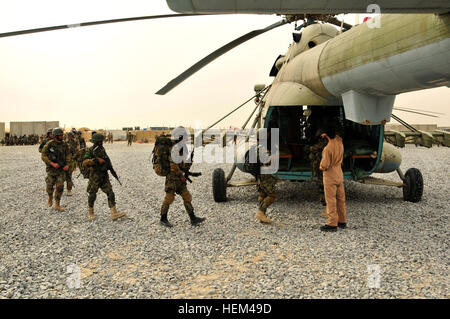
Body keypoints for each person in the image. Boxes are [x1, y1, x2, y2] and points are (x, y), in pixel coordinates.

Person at [159, 128, 205, 227]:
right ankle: (163, 218)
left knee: (187, 196)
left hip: (180, 178)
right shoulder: (175, 148)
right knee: (169, 198)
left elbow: (184, 163)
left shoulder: (183, 147)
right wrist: (181, 176)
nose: (187, 138)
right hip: (172, 178)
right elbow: (173, 165)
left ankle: (193, 218)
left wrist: (192, 155)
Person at [82, 133, 125, 221]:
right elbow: (84, 162)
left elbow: (107, 161)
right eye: (99, 141)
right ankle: (91, 212)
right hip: (94, 176)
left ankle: (114, 212)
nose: (101, 143)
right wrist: (95, 160)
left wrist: (112, 170)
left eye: (102, 141)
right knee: (92, 194)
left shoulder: (102, 149)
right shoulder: (90, 150)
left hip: (104, 176)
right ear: (95, 142)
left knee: (110, 193)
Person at [319, 125, 346, 232]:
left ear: (325, 135)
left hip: (330, 176)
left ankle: (332, 224)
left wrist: (320, 166)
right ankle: (342, 221)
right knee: (341, 199)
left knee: (331, 200)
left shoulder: (327, 148)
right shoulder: (340, 143)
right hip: (339, 173)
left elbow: (324, 165)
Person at [41, 128, 70, 211]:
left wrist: (67, 164)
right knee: (49, 187)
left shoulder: (64, 145)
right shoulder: (49, 144)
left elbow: (68, 155)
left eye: (62, 135)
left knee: (60, 187)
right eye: (60, 135)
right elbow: (43, 156)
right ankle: (50, 196)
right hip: (51, 170)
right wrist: (52, 163)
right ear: (55, 136)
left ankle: (57, 204)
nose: (62, 136)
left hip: (61, 170)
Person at [66, 131, 80, 196]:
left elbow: (77, 150)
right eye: (68, 136)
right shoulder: (64, 142)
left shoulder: (75, 142)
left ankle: (69, 189)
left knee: (69, 175)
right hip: (65, 161)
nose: (69, 137)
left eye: (70, 136)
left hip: (71, 161)